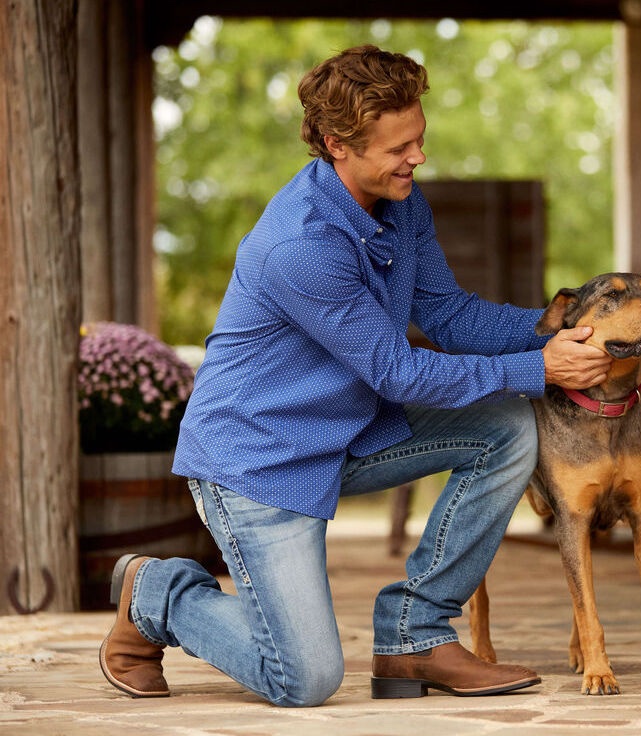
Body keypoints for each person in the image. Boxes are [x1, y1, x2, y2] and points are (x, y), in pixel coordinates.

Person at [99, 44, 611, 707]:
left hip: (347, 435)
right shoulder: (301, 245)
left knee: (506, 427)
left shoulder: (399, 201)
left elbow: (450, 315)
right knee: (303, 679)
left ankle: (415, 634)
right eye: (399, 147)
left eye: (420, 139)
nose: (417, 157)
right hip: (261, 463)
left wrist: (554, 328)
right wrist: (540, 367)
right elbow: (399, 373)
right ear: (338, 145)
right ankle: (159, 593)